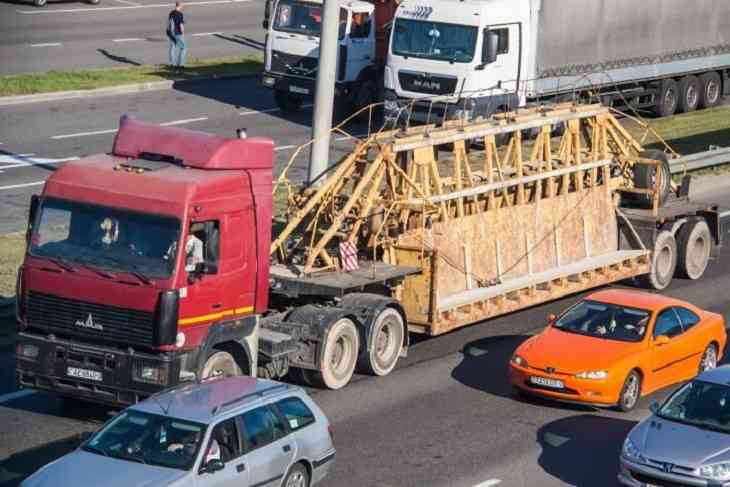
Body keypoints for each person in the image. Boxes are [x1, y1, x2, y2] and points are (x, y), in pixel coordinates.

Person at [168, 1, 187, 70]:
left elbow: (170, 22)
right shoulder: (180, 14)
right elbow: (180, 25)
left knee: (172, 48)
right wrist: (183, 33)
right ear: (180, 6)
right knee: (184, 48)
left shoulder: (171, 13)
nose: (183, 7)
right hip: (178, 33)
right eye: (182, 5)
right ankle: (180, 64)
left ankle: (172, 64)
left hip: (171, 33)